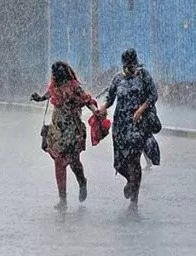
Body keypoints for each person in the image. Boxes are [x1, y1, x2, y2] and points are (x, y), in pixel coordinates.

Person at [31, 61, 99, 210]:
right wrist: (39, 98)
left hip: (72, 130)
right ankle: (63, 199)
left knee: (74, 161)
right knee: (59, 162)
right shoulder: (54, 86)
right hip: (58, 130)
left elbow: (87, 100)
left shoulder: (74, 87)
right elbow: (47, 95)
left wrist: (95, 111)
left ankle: (82, 181)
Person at [99, 48, 159, 211]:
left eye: (132, 65)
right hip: (120, 126)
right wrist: (104, 107)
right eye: (127, 65)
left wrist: (141, 109)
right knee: (120, 163)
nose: (130, 68)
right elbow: (110, 98)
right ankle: (130, 181)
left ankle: (134, 198)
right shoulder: (118, 78)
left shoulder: (144, 76)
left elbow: (153, 95)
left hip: (138, 125)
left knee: (134, 159)